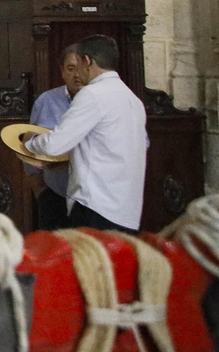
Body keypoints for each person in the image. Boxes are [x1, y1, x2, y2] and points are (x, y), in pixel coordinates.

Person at [22, 34, 148, 231]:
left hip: (95, 207)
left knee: (87, 261)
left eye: (78, 64)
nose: (78, 73)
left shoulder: (92, 94)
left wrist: (29, 143)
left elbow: (54, 145)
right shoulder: (132, 99)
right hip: (127, 211)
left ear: (87, 61)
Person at [25, 46, 85, 231]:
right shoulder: (47, 101)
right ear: (62, 72)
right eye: (70, 68)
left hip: (91, 201)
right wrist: (40, 191)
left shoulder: (100, 102)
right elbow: (28, 145)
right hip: (54, 195)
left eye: (81, 68)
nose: (76, 75)